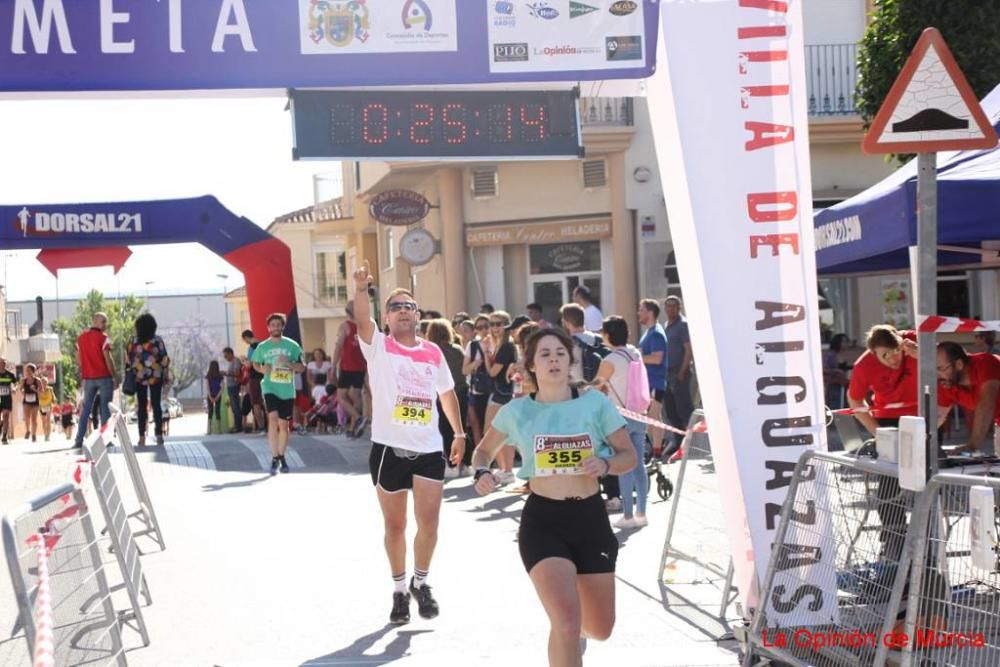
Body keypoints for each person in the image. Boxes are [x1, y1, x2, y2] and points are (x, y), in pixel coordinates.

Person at [470, 328, 637, 665]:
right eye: (544, 354)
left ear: (570, 359)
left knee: (599, 628)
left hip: (590, 519)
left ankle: (573, 636)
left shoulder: (594, 403)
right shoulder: (517, 411)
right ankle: (568, 636)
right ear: (531, 364)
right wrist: (481, 472)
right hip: (543, 522)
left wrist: (604, 464)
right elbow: (483, 451)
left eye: (560, 353)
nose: (554, 360)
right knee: (565, 620)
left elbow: (628, 456)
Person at [352, 260, 466, 625]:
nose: (403, 311)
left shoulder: (433, 352)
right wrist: (361, 288)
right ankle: (400, 590)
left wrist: (459, 433)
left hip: (430, 448)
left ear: (418, 315)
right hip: (389, 448)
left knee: (430, 523)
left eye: (409, 306)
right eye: (395, 307)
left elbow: (447, 394)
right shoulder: (378, 346)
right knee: (396, 526)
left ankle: (422, 582)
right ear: (385, 318)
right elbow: (360, 319)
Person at [596, 316, 649, 529]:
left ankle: (627, 516)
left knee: (625, 464)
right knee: (639, 465)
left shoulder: (610, 360)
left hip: (619, 417)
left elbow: (596, 386)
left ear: (608, 335)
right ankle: (642, 513)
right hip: (638, 412)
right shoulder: (635, 352)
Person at [252, 313, 306, 475]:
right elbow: (255, 363)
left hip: (287, 390)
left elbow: (302, 367)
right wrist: (262, 369)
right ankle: (274, 456)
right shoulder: (262, 347)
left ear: (282, 327)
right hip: (269, 387)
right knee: (273, 418)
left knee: (284, 425)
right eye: (272, 325)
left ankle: (281, 456)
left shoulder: (292, 346)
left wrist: (288, 363)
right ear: (268, 328)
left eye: (278, 325)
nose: (275, 327)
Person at [935, 341, 1000, 452]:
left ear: (959, 364)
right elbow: (937, 417)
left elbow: (986, 404)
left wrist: (973, 445)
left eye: (941, 369)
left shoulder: (985, 362)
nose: (938, 374)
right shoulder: (946, 384)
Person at [426, 319, 470, 477]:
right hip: (461, 392)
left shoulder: (431, 351)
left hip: (442, 397)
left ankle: (451, 464)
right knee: (461, 430)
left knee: (445, 430)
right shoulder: (458, 349)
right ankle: (464, 464)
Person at [74, 312, 118, 449]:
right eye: (103, 322)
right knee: (105, 409)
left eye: (105, 322)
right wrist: (115, 376)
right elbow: (108, 358)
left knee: (86, 409)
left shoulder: (80, 338)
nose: (105, 324)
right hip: (104, 377)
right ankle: (105, 440)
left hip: (88, 378)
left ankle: (78, 440)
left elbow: (78, 359)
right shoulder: (103, 338)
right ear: (95, 321)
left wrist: (86, 367)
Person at [484, 310, 517, 482]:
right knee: (498, 431)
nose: (495, 328)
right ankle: (505, 469)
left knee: (497, 431)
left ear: (506, 325)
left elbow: (493, 372)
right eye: (492, 324)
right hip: (499, 392)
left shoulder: (506, 346)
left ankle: (507, 469)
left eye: (499, 324)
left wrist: (484, 353)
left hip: (503, 393)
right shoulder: (499, 345)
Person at [128, 313, 171, 446]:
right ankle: (159, 436)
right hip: (155, 376)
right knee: (156, 405)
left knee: (141, 407)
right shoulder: (157, 340)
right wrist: (166, 376)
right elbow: (164, 360)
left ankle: (142, 437)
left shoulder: (133, 341)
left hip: (139, 377)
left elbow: (128, 360)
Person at [662, 296, 695, 453]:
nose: (671, 309)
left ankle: (691, 443)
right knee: (670, 409)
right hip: (667, 373)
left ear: (679, 308)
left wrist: (683, 370)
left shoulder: (683, 325)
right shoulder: (666, 325)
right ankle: (677, 440)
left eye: (674, 306)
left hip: (679, 372)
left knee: (684, 408)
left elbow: (688, 350)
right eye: (668, 306)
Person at [333, 300, 369, 438]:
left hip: (347, 366)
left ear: (347, 312)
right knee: (356, 396)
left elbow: (338, 345)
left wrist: (333, 364)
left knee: (341, 396)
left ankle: (358, 418)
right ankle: (353, 427)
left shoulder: (345, 326)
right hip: (361, 366)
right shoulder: (364, 327)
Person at [637, 299, 668, 452]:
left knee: (654, 419)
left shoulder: (656, 333)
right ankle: (655, 451)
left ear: (650, 312)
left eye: (641, 310)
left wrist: (636, 357)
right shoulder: (649, 332)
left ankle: (656, 453)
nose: (638, 313)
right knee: (652, 420)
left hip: (656, 383)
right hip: (649, 382)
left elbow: (657, 358)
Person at [463, 315, 493, 447]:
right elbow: (464, 370)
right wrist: (475, 363)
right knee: (478, 424)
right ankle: (480, 455)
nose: (484, 330)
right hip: (478, 390)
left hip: (497, 390)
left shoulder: (498, 343)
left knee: (495, 424)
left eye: (487, 326)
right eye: (480, 327)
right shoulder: (473, 345)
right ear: (476, 330)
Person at [242, 329, 267, 432]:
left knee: (256, 403)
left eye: (244, 340)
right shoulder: (264, 345)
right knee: (267, 402)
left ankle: (261, 427)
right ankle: (271, 425)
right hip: (266, 376)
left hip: (255, 377)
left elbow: (250, 364)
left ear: (246, 337)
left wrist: (244, 360)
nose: (245, 342)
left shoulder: (252, 347)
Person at [823, 333, 851, 410]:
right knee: (836, 407)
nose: (846, 344)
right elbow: (824, 369)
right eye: (844, 342)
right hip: (834, 385)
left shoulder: (841, 354)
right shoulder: (831, 355)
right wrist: (837, 371)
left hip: (843, 384)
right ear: (838, 342)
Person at [222, 347, 243, 434]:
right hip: (230, 387)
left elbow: (237, 373)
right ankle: (236, 426)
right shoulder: (231, 363)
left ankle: (238, 426)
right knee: (234, 407)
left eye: (226, 356)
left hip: (234, 386)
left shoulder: (236, 361)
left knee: (236, 406)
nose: (225, 358)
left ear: (230, 354)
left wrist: (226, 373)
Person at [19, 363, 42, 442]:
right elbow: (20, 389)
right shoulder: (23, 380)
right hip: (26, 401)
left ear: (33, 371)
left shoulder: (37, 380)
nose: (27, 372)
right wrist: (22, 392)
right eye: (26, 370)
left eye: (29, 370)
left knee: (34, 419)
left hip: (35, 401)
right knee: (27, 417)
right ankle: (28, 430)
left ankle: (34, 434)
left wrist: (35, 390)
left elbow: (41, 392)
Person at [205, 360, 224, 435]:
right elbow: (222, 387)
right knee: (217, 411)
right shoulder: (220, 376)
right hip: (218, 395)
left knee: (210, 411)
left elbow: (207, 387)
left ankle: (209, 430)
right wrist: (217, 397)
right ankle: (219, 430)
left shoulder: (208, 376)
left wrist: (210, 397)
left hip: (210, 395)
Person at [0, 358, 14, 444]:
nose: (2, 364)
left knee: (6, 416)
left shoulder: (10, 374)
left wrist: (14, 388)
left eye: (3, 363)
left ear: (5, 364)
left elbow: (15, 383)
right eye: (0, 363)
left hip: (7, 398)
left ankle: (4, 436)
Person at [37, 376, 55, 442]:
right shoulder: (38, 389)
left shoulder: (50, 389)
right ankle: (45, 435)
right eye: (42, 381)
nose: (43, 383)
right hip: (41, 406)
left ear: (47, 382)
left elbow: (53, 396)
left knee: (48, 420)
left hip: (48, 405)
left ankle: (48, 436)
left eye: (45, 382)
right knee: (43, 421)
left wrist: (54, 400)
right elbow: (38, 398)